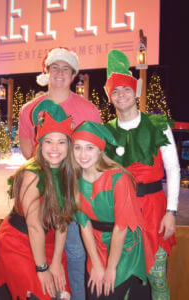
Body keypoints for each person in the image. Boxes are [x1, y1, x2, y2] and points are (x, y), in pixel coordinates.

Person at [18, 47, 102, 300]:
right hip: (44, 191)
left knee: (75, 250)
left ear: (74, 75)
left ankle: (76, 295)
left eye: (66, 68)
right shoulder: (30, 109)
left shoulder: (88, 109)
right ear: (46, 71)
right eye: (55, 67)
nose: (60, 73)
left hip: (76, 191)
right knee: (42, 246)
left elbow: (97, 153)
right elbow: (27, 151)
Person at [104, 49, 180, 300]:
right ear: (110, 97)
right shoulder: (106, 132)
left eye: (126, 89)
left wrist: (171, 212)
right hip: (121, 215)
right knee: (124, 279)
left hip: (155, 211)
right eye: (115, 91)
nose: (121, 95)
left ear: (135, 92)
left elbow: (173, 169)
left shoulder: (158, 124)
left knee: (157, 278)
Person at [0, 100, 75, 300]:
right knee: (41, 293)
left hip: (46, 240)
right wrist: (42, 268)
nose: (54, 148)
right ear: (40, 143)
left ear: (68, 144)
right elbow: (34, 227)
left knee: (62, 293)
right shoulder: (32, 174)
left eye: (61, 141)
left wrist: (56, 261)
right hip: (18, 241)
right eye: (48, 141)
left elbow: (62, 221)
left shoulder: (67, 172)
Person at [71, 121, 153, 300]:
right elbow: (84, 225)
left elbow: (121, 227)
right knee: (94, 293)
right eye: (77, 147)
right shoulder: (74, 180)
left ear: (100, 150)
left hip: (125, 248)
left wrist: (110, 268)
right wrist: (96, 264)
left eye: (89, 148)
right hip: (97, 244)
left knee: (112, 292)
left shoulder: (118, 178)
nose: (82, 154)